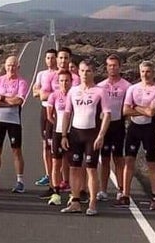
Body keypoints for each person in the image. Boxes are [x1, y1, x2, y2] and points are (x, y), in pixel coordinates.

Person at [60, 60, 111, 216]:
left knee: (91, 169)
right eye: (82, 71)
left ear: (93, 72)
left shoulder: (100, 91)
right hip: (75, 133)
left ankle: (92, 203)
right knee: (74, 168)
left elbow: (107, 114)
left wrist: (101, 135)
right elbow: (67, 113)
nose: (84, 74)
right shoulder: (73, 91)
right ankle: (75, 202)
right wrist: (64, 135)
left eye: (88, 71)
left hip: (92, 135)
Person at [117, 61, 155, 211]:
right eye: (143, 71)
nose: (145, 74)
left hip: (148, 130)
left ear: (154, 73)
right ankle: (125, 195)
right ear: (139, 72)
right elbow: (125, 111)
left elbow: (152, 113)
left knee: (151, 163)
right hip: (134, 129)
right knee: (129, 160)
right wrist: (144, 109)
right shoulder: (133, 88)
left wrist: (135, 107)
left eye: (148, 71)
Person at [0, 56, 29, 193]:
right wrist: (8, 101)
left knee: (16, 151)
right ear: (5, 66)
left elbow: (18, 101)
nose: (11, 68)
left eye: (14, 65)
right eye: (9, 65)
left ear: (18, 67)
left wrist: (2, 98)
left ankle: (20, 181)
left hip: (14, 121)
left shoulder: (22, 82)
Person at [96, 54, 131, 202]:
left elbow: (129, 106)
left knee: (118, 159)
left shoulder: (127, 86)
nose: (112, 68)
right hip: (105, 126)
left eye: (115, 65)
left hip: (118, 125)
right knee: (104, 159)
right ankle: (103, 190)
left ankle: (120, 189)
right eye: (109, 65)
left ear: (120, 67)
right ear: (106, 67)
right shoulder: (101, 86)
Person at [45, 70, 72, 205]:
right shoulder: (54, 96)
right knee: (56, 162)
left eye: (67, 80)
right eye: (61, 81)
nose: (64, 83)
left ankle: (74, 192)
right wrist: (57, 125)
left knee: (73, 164)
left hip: (73, 132)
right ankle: (55, 193)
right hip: (57, 131)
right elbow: (49, 115)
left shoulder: (74, 94)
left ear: (71, 82)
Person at [32, 49, 58, 187]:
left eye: (53, 57)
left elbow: (61, 93)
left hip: (58, 110)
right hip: (44, 109)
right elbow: (35, 93)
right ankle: (49, 174)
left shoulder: (60, 74)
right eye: (48, 58)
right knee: (46, 144)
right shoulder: (41, 74)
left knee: (58, 144)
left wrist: (45, 93)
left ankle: (58, 175)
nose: (50, 60)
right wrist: (44, 93)